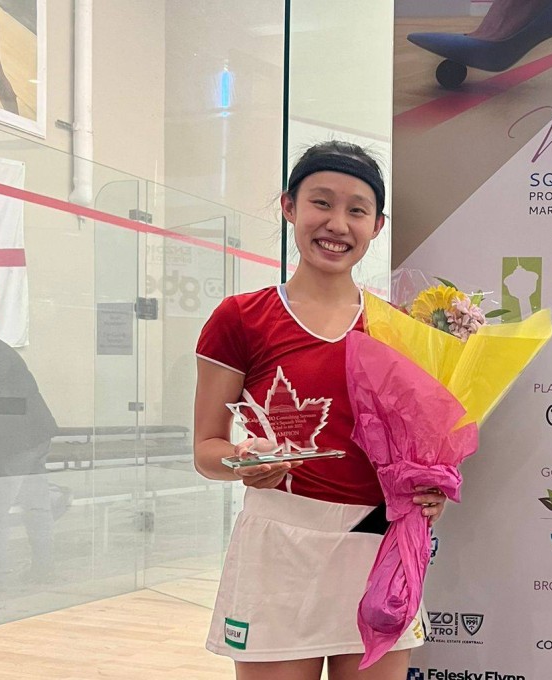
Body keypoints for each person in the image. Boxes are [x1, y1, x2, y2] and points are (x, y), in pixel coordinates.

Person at [193, 140, 447, 680]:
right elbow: (205, 450)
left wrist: (426, 490)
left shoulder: (397, 328)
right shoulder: (240, 318)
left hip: (378, 548)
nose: (337, 223)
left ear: (377, 225)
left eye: (356, 210)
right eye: (321, 203)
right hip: (279, 551)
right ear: (289, 206)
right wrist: (243, 460)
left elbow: (414, 451)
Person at [0, 327, 58, 591]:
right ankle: (44, 570)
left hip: (12, 442)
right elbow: (6, 401)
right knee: (36, 506)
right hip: (35, 433)